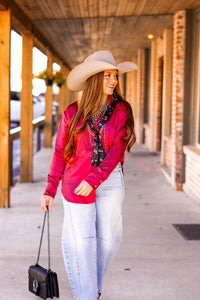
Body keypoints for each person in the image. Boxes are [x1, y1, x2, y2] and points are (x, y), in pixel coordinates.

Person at [40, 50, 137, 300]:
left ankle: (91, 288)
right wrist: (50, 189)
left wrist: (94, 180)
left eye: (114, 76)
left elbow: (116, 151)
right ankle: (89, 296)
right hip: (76, 184)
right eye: (106, 76)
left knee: (108, 239)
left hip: (109, 180)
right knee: (83, 243)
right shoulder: (72, 113)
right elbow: (60, 152)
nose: (113, 81)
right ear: (93, 79)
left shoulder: (121, 110)